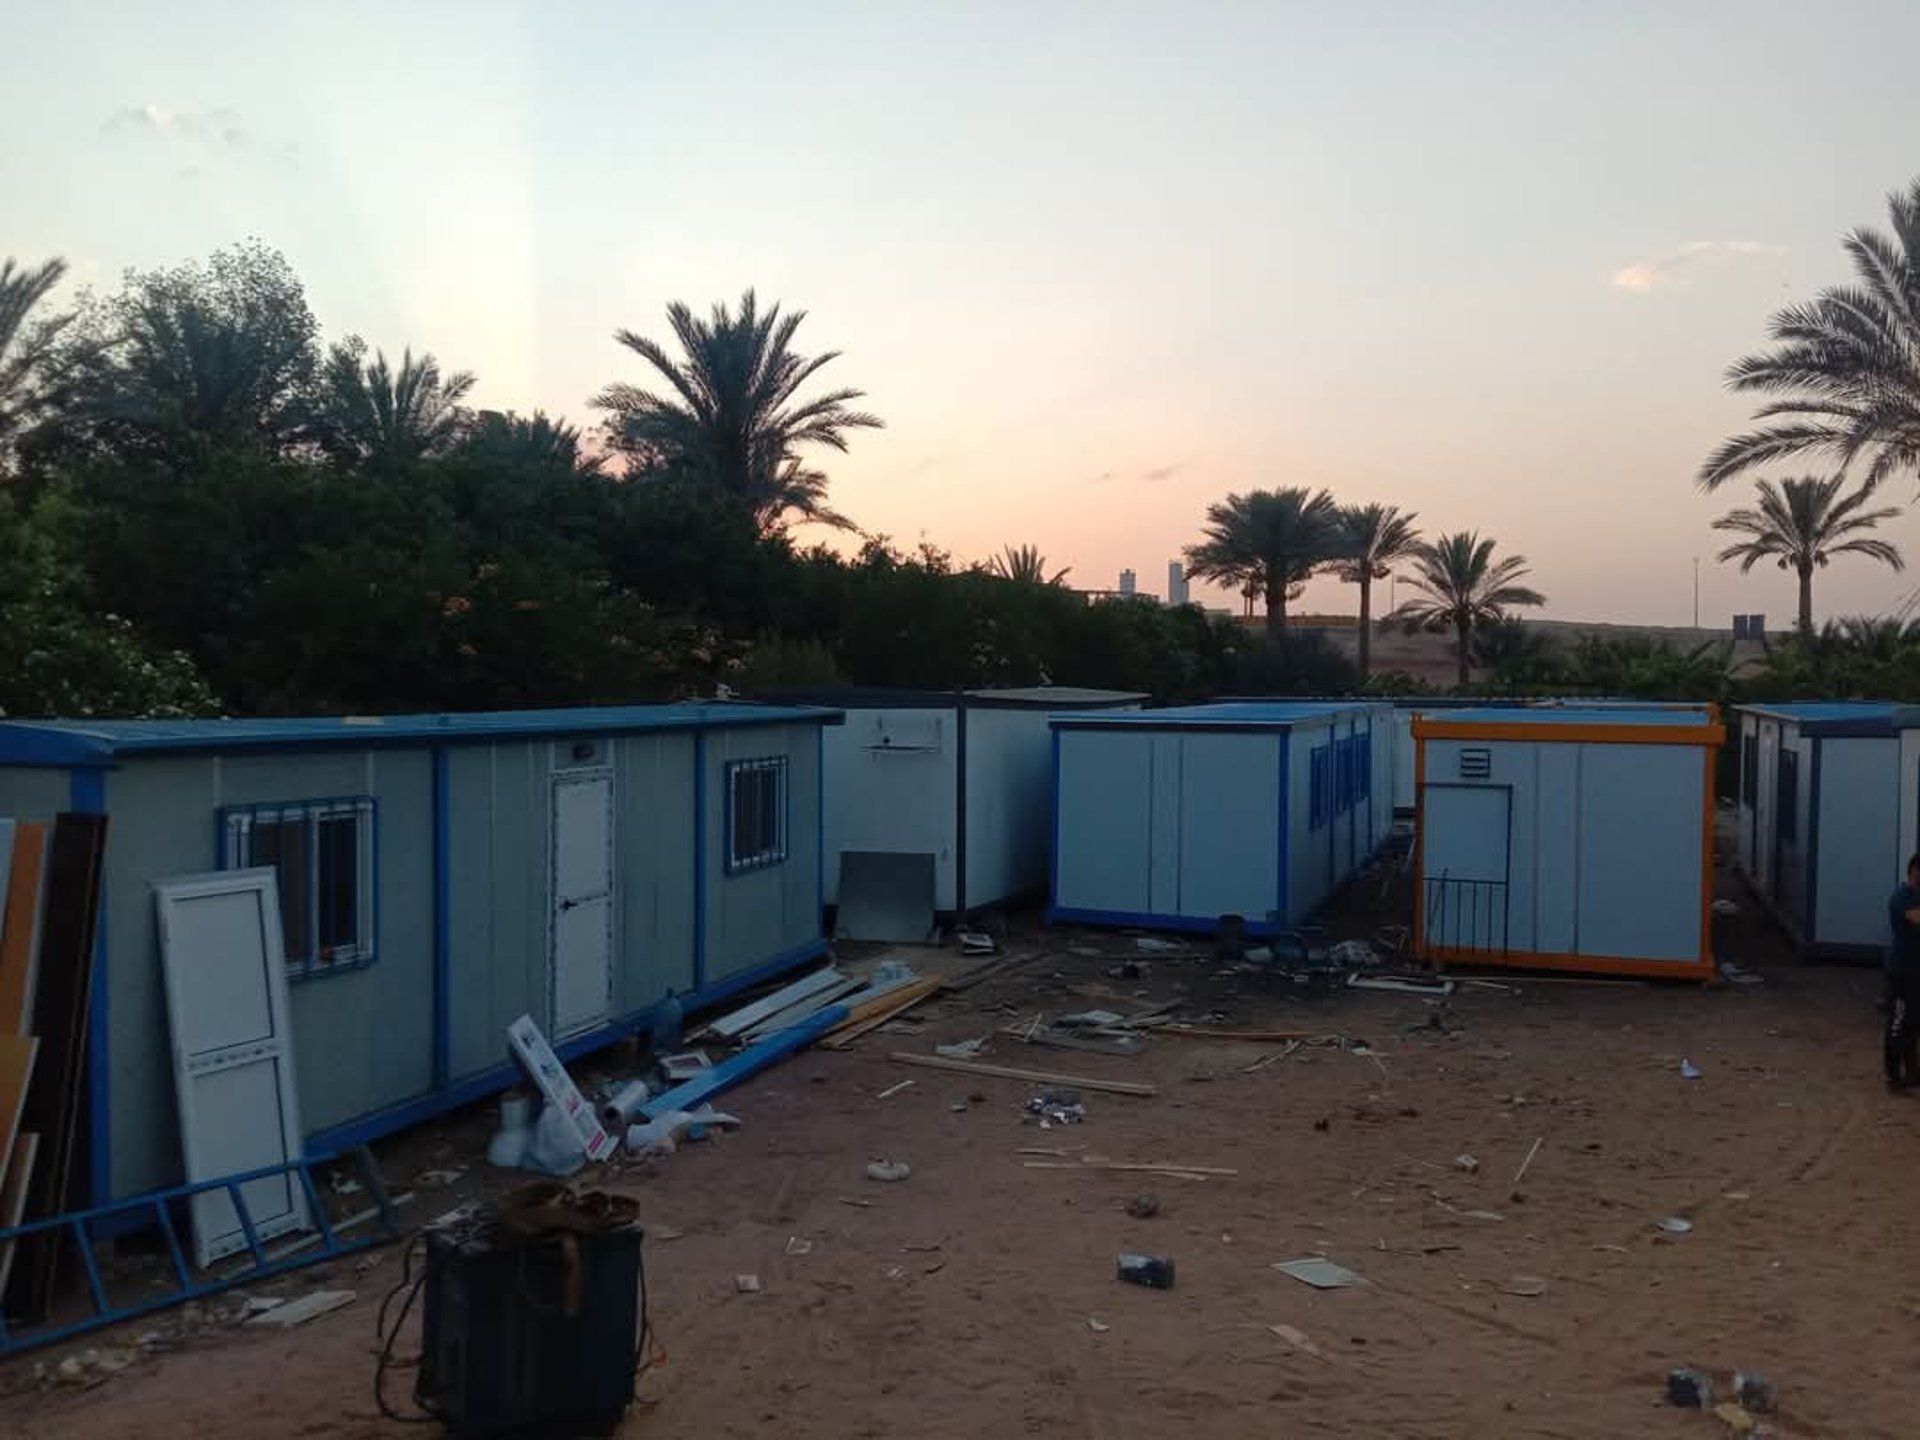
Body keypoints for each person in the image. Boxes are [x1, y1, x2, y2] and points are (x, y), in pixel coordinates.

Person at [1886, 854, 1920, 1090]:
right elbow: (1916, 918)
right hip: (1901, 972)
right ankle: (1894, 1075)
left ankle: (1912, 1072)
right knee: (1897, 1024)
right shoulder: (1902, 896)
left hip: (1916, 973)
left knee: (1913, 1023)